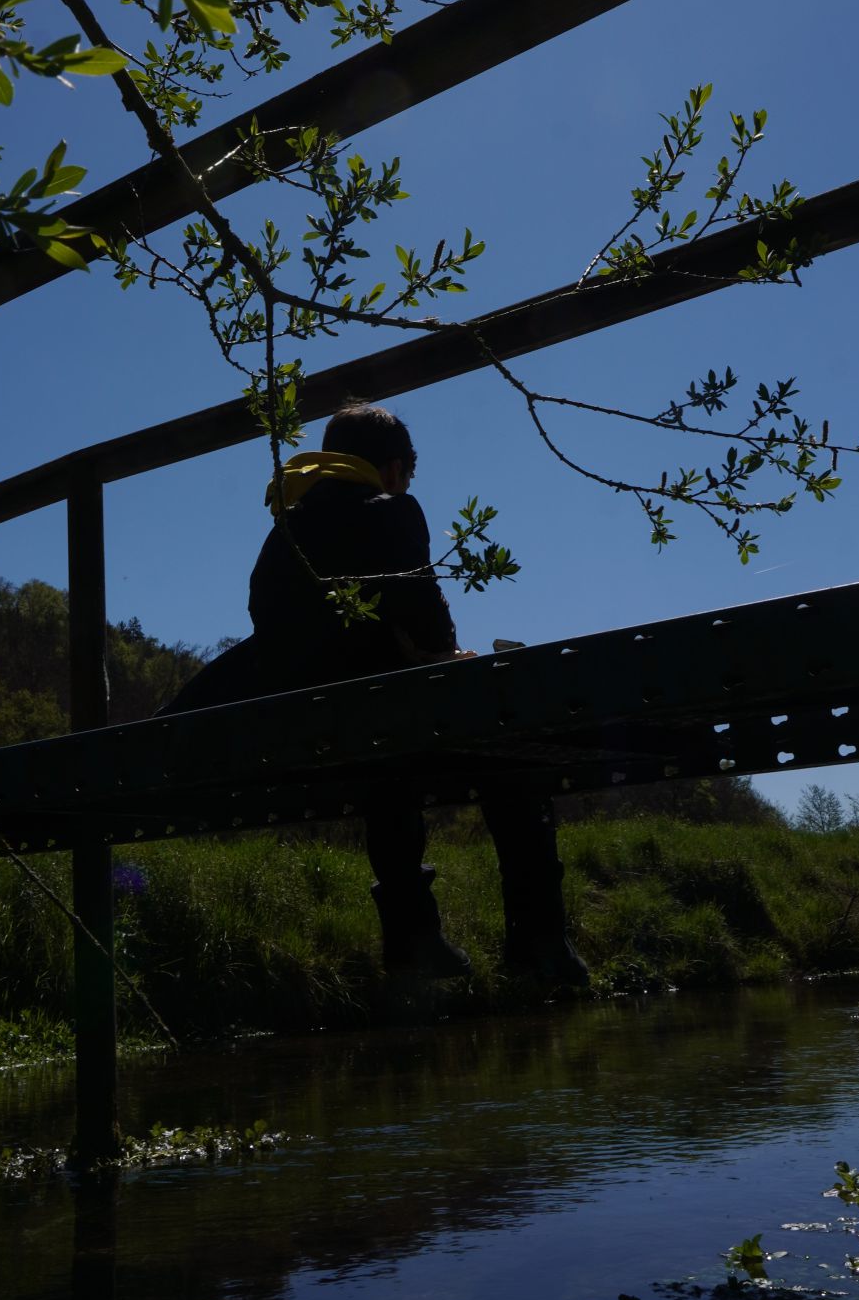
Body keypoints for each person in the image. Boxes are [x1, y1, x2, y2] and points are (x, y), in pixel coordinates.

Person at [163, 403, 589, 987]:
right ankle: (540, 945)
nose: (407, 485)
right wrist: (441, 651)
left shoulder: (284, 531)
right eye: (408, 475)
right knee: (514, 753)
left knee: (384, 758)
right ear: (391, 469)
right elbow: (430, 625)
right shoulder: (390, 510)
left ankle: (413, 938)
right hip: (379, 728)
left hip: (310, 738)